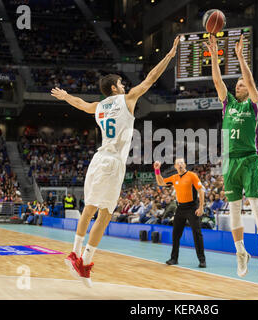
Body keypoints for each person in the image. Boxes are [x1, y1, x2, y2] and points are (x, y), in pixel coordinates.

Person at [51, 36, 180, 287]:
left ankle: (75, 253)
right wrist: (169, 55)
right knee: (106, 214)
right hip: (112, 163)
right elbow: (151, 78)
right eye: (121, 83)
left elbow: (80, 104)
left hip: (98, 159)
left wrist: (66, 95)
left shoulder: (99, 106)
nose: (124, 85)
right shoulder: (127, 99)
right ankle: (84, 261)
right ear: (114, 88)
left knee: (89, 209)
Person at [204, 34, 258, 277]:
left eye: (241, 84)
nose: (238, 85)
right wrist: (214, 58)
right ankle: (241, 252)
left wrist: (240, 57)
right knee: (233, 209)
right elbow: (217, 81)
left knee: (255, 205)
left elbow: (251, 82)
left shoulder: (254, 104)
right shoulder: (228, 104)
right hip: (229, 161)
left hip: (248, 159)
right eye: (237, 84)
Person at [154, 158, 207, 268]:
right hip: (180, 208)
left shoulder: (192, 175)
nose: (180, 164)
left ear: (185, 164)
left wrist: (201, 207)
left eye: (182, 162)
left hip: (193, 207)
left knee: (197, 234)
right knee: (176, 234)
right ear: (175, 166)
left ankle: (202, 260)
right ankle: (174, 258)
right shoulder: (174, 177)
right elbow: (160, 182)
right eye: (178, 163)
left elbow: (200, 190)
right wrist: (157, 170)